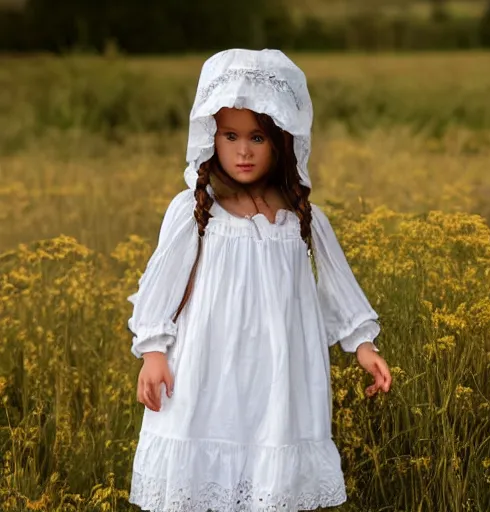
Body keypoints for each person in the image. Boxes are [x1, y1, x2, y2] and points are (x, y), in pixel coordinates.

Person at [127, 48, 392, 512]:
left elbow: (338, 286)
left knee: (268, 476)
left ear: (282, 141)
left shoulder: (301, 219)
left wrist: (364, 346)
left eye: (257, 137)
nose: (243, 150)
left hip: (279, 376)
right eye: (230, 135)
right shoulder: (196, 211)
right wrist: (153, 352)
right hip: (207, 370)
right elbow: (160, 287)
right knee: (204, 472)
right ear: (212, 135)